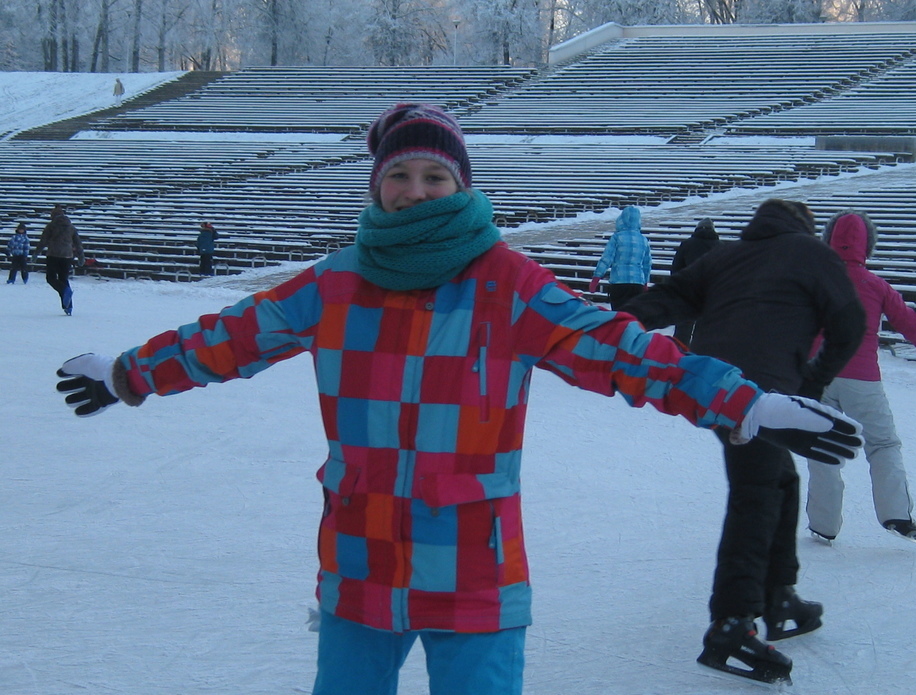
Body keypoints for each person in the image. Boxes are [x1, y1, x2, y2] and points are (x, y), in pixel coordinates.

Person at [55, 106, 862, 695]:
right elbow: (233, 335)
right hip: (360, 562)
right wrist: (129, 373)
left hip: (475, 571)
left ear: (460, 184)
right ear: (378, 186)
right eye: (399, 176)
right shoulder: (337, 283)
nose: (416, 190)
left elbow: (618, 349)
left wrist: (743, 403)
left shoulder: (506, 284)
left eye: (434, 175)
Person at [623, 198, 866, 685]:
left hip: (715, 388)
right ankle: (732, 622)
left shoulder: (725, 256)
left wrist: (611, 325)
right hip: (761, 395)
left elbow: (667, 297)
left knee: (780, 480)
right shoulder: (812, 253)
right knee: (756, 493)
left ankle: (778, 595)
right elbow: (850, 324)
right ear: (805, 227)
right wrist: (812, 385)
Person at [805, 211, 916, 545]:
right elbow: (910, 323)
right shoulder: (876, 286)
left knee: (823, 445)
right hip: (863, 380)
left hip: (819, 375)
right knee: (883, 444)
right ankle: (896, 514)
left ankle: (823, 524)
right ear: (868, 246)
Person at [588, 205, 651, 310]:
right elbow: (647, 264)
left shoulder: (617, 237)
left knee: (619, 315)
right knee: (633, 315)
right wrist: (645, 283)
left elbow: (607, 258)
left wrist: (596, 278)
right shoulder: (643, 240)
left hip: (619, 283)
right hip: (637, 283)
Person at [670, 217, 720, 345]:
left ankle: (679, 352)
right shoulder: (720, 246)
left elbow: (676, 268)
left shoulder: (687, 244)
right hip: (711, 292)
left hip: (688, 291)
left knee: (683, 329)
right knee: (706, 329)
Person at [35, 204, 84, 315]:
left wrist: (36, 253)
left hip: (53, 254)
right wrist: (81, 257)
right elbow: (78, 243)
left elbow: (43, 241)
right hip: (67, 256)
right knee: (63, 279)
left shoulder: (51, 226)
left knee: (51, 278)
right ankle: (68, 307)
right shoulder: (71, 227)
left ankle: (65, 292)